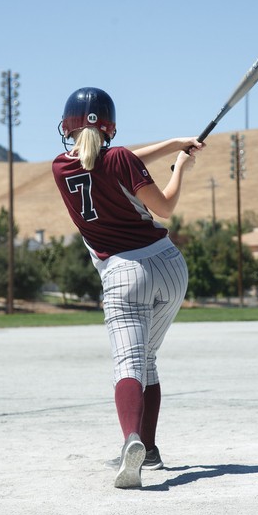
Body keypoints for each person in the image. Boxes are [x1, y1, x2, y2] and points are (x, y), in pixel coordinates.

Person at [52, 87, 204, 489]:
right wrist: (179, 167)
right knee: (148, 358)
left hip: (123, 273)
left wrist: (175, 144)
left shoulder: (59, 168)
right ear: (110, 126)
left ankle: (131, 442)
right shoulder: (120, 158)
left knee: (129, 363)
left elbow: (114, 161)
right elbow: (165, 207)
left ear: (67, 126)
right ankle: (149, 450)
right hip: (170, 267)